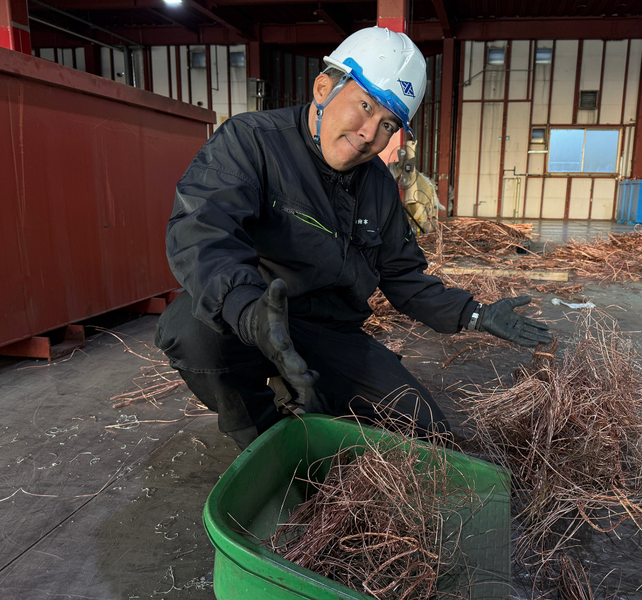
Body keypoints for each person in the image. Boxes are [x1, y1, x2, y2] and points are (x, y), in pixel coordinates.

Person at [155, 27, 552, 450]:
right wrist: (249, 313)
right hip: (255, 317)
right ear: (324, 88)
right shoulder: (251, 142)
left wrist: (474, 315)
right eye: (364, 105)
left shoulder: (378, 185)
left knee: (426, 432)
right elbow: (203, 232)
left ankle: (315, 402)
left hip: (331, 332)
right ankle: (264, 433)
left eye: (388, 124)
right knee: (191, 330)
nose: (369, 133)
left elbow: (402, 276)